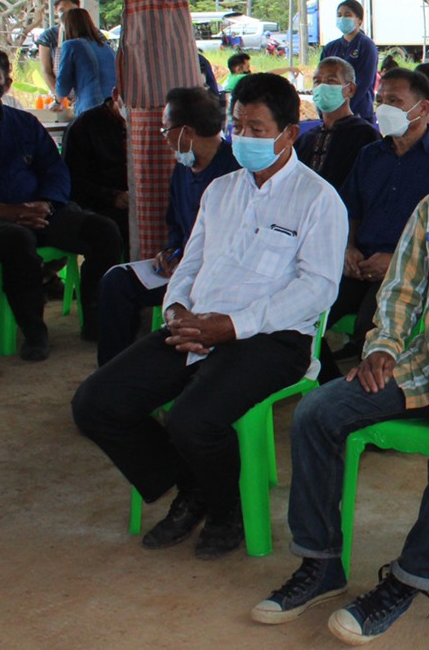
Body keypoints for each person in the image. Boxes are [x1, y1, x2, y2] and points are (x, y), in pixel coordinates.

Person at [251, 90, 429, 643]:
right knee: (318, 411)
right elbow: (400, 292)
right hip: (423, 363)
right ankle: (321, 562)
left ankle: (411, 577)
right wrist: (383, 348)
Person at [71, 73, 344, 561]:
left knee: (193, 419)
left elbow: (318, 288)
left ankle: (226, 510)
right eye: (239, 125)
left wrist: (233, 326)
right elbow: (191, 263)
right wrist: (175, 308)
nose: (246, 137)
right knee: (96, 402)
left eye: (259, 128)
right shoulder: (220, 190)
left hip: (273, 338)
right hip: (198, 325)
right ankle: (192, 485)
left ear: (290, 134)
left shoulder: (318, 199)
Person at [0, 43, 124, 359]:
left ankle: (94, 319)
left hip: (41, 211)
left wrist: (48, 204)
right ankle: (34, 332)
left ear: (7, 84)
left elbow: (55, 169)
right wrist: (2, 210)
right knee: (15, 240)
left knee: (104, 231)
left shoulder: (24, 124)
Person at [95, 87, 239, 366]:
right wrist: (171, 249)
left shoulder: (235, 172)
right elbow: (176, 221)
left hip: (216, 277)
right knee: (117, 280)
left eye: (166, 129)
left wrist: (193, 263)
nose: (164, 137)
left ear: (186, 132)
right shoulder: (184, 168)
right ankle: (112, 369)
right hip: (181, 268)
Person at [332, 69, 429, 368]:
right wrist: (348, 248)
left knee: (371, 327)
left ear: (424, 108)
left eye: (394, 101)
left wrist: (396, 261)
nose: (383, 108)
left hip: (408, 269)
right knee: (309, 308)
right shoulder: (370, 155)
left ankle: (364, 396)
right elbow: (349, 209)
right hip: (358, 263)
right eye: (380, 100)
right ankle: (324, 380)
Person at [296, 57, 381, 191]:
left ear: (350, 89)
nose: (322, 87)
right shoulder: (305, 140)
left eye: (331, 81)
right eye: (317, 82)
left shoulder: (366, 137)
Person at [62, 91, 130, 253]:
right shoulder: (85, 125)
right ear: (116, 96)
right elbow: (71, 182)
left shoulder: (151, 123)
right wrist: (112, 197)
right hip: (96, 205)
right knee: (112, 229)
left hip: (136, 204)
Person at [321, 0, 379, 124]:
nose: (342, 18)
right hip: (332, 110)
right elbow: (321, 78)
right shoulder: (330, 47)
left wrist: (344, 107)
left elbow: (364, 81)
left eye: (347, 15)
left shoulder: (366, 46)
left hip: (359, 110)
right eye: (339, 15)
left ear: (359, 19)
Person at [56, 7, 118, 117]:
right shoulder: (106, 48)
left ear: (68, 27)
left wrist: (57, 102)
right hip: (114, 109)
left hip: (90, 110)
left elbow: (63, 85)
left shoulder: (71, 45)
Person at [36, 0, 81, 95]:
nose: (67, 15)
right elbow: (46, 71)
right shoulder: (48, 37)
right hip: (61, 96)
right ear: (55, 10)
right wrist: (60, 97)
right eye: (62, 10)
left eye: (72, 10)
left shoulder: (91, 33)